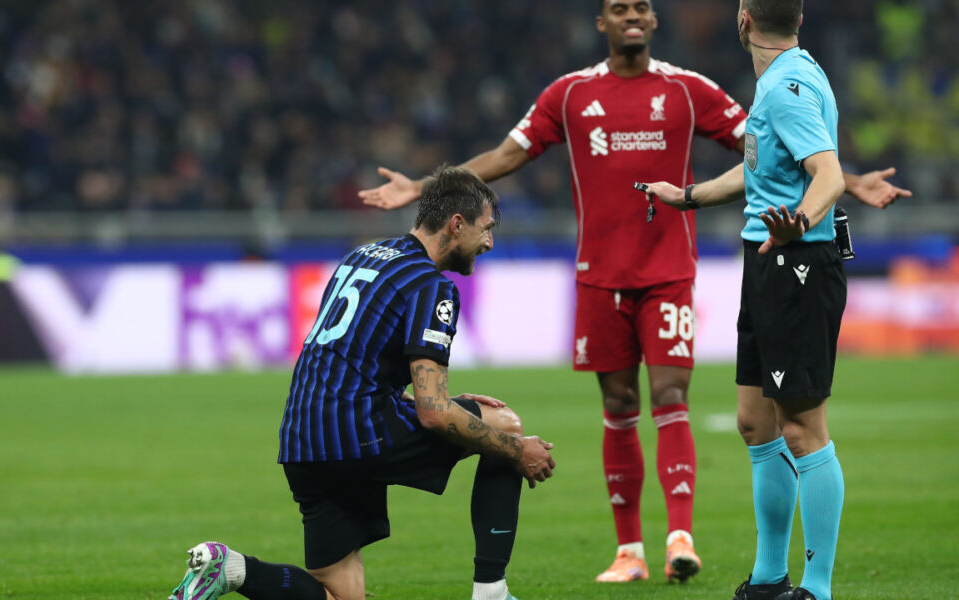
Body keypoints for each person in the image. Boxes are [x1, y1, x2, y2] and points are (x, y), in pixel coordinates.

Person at [358, 0, 910, 585]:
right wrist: (425, 188)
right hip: (601, 274)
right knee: (640, 408)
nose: (631, 15)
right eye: (619, 7)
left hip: (676, 271)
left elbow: (794, 152)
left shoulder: (691, 89)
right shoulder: (569, 94)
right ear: (601, 22)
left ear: (660, 20)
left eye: (641, 7)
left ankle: (683, 539)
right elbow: (507, 155)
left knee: (679, 396)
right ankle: (636, 552)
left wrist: (840, 183)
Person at [168, 165, 556, 600]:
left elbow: (352, 362)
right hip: (358, 435)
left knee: (339, 595)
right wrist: (517, 451)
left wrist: (432, 402)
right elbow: (433, 413)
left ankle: (232, 570)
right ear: (456, 224)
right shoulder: (431, 287)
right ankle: (492, 592)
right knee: (504, 426)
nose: (489, 242)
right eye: (486, 229)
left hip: (302, 439)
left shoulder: (362, 256)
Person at [643, 1, 859, 598]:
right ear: (798, 19)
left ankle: (816, 589)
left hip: (797, 265)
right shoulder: (787, 78)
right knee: (755, 423)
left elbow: (830, 174)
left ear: (743, 19)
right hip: (768, 262)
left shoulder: (785, 88)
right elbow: (760, 172)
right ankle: (768, 578)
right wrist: (687, 195)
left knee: (803, 429)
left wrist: (799, 223)